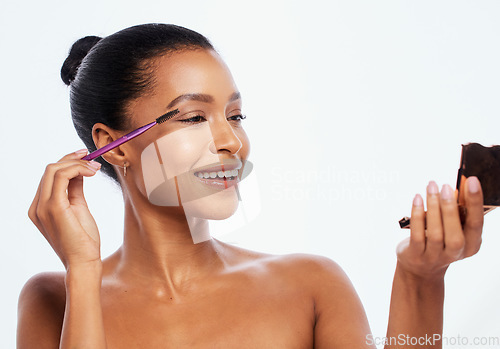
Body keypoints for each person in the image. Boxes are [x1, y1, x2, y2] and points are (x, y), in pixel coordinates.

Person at [17, 23, 485, 348]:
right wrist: (83, 269)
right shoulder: (51, 300)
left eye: (235, 116)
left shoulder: (310, 286)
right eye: (194, 118)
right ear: (113, 145)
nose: (231, 141)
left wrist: (421, 278)